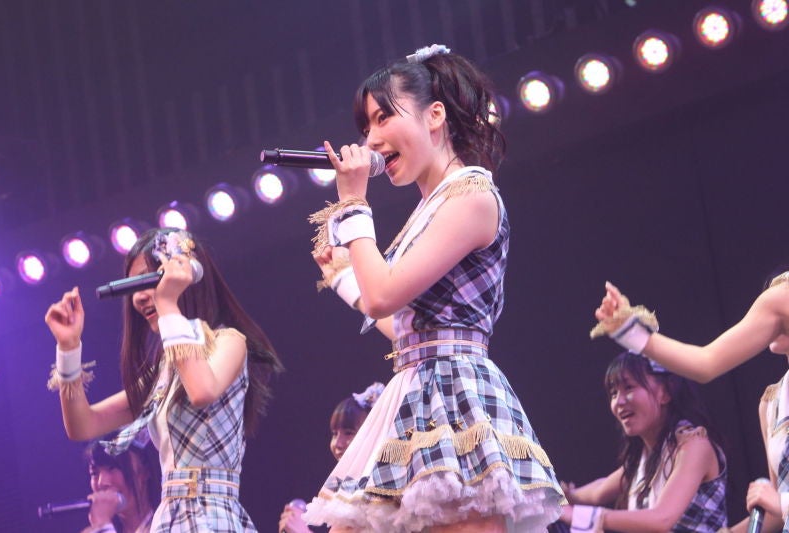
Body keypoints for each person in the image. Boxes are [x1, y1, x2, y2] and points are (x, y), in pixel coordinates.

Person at [305, 43, 563, 532]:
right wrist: (341, 278)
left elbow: (383, 296)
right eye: (366, 127)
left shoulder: (472, 196)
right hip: (413, 389)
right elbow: (408, 325)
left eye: (383, 117)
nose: (372, 138)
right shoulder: (429, 209)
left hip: (454, 397)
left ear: (435, 115)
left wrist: (354, 204)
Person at [45, 227, 283, 532]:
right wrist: (68, 349)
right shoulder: (162, 372)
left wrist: (168, 304)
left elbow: (202, 391)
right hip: (171, 519)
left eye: (148, 281)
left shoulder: (229, 341)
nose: (140, 297)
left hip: (213, 516)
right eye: (134, 286)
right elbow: (83, 425)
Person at [592, 276, 789, 530]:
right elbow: (775, 514)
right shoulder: (772, 403)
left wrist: (630, 330)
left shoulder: (782, 295)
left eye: (630, 387)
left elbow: (706, 362)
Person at [557, 351, 727, 532]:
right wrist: (561, 497)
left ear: (665, 392)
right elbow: (599, 490)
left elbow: (662, 519)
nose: (619, 401)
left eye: (629, 387)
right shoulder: (645, 459)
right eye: (613, 393)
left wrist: (577, 516)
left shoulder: (694, 445)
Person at [278, 382, 385, 533]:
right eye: (335, 434)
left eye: (348, 433)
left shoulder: (376, 495)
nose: (337, 444)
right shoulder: (346, 491)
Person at [81, 431, 160, 533]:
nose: (101, 482)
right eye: (94, 473)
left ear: (144, 470)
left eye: (112, 468)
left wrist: (102, 525)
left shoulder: (169, 522)